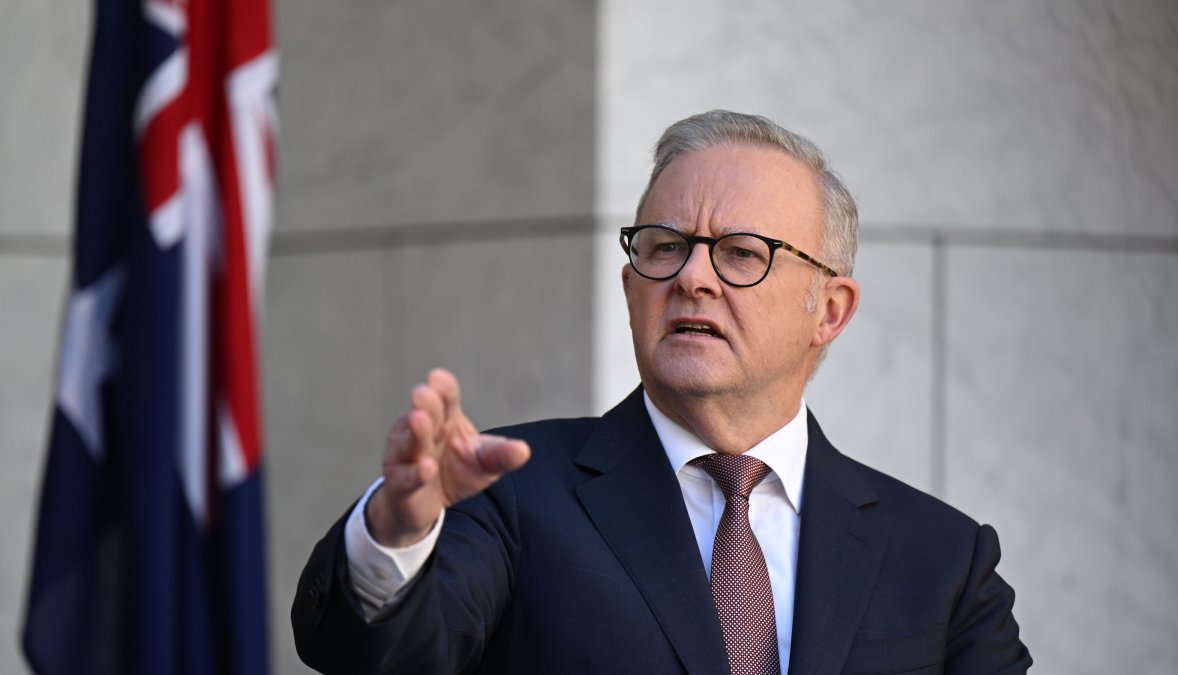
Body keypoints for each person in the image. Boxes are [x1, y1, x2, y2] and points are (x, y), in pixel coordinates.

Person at [292, 110, 1032, 674]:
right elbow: (389, 652)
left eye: (742, 251)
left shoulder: (942, 558)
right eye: (666, 247)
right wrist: (395, 529)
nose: (692, 277)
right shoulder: (515, 492)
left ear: (829, 310)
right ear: (630, 286)